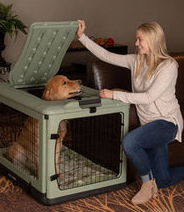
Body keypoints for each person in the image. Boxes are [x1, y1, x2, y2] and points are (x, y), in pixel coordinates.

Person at [77, 20, 184, 204]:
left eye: (140, 39)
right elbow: (106, 55)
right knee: (164, 180)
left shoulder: (169, 66)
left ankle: (147, 185)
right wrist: (82, 37)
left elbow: (149, 97)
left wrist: (115, 94)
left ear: (152, 40)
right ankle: (156, 182)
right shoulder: (136, 61)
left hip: (167, 124)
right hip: (149, 126)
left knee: (130, 142)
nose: (136, 43)